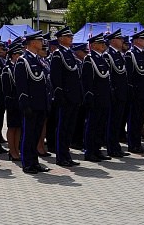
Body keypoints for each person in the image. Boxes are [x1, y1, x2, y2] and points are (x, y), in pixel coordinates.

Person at [14, 33, 51, 174]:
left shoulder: (38, 60)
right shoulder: (23, 61)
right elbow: (21, 86)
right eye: (39, 40)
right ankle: (27, 163)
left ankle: (34, 161)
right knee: (28, 135)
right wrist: (25, 104)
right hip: (30, 105)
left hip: (40, 103)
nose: (42, 43)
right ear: (32, 43)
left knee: (36, 135)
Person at [48, 27, 82, 167]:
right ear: (60, 38)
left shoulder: (69, 53)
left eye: (71, 36)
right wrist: (59, 93)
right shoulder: (58, 54)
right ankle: (61, 156)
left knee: (69, 127)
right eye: (68, 36)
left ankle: (66, 154)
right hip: (65, 96)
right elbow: (56, 76)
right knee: (63, 127)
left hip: (73, 96)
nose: (71, 38)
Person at [81, 33, 112, 162]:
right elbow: (87, 80)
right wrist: (89, 95)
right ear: (93, 45)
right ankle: (89, 151)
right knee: (92, 125)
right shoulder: (89, 59)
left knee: (100, 125)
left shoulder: (102, 59)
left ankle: (97, 149)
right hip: (95, 97)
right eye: (100, 43)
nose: (103, 45)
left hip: (104, 97)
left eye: (103, 43)